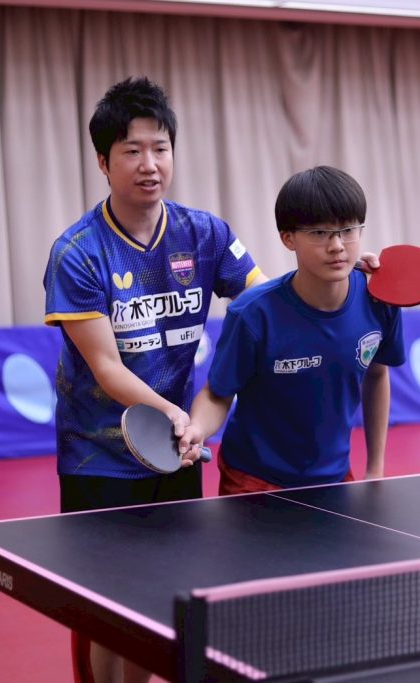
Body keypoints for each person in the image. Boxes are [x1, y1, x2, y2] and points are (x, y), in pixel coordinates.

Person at [42, 76, 265, 683]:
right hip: (98, 456)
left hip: (175, 448)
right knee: (105, 606)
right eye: (132, 150)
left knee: (157, 602)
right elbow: (106, 366)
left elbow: (265, 302)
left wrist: (340, 275)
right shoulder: (78, 253)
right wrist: (172, 413)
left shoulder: (206, 234)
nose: (150, 164)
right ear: (103, 162)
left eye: (160, 148)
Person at [180, 166, 405, 494]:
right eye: (320, 233)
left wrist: (375, 467)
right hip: (253, 480)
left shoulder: (379, 300)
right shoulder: (252, 314)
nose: (337, 245)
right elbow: (217, 393)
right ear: (288, 238)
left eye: (347, 230)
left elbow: (378, 375)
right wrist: (197, 429)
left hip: (334, 475)